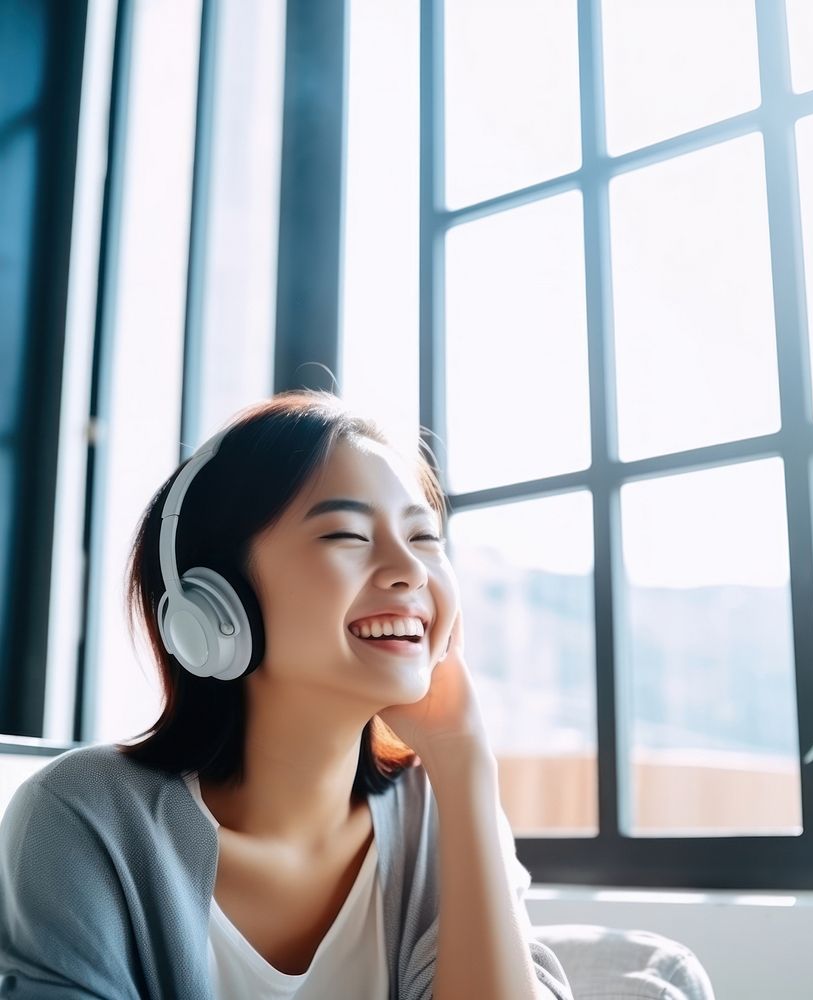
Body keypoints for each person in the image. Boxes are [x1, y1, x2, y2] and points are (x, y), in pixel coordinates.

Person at [0, 389, 574, 1000]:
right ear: (215, 603)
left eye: (424, 537)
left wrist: (464, 765)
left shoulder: (442, 810)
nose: (408, 569)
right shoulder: (82, 817)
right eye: (347, 535)